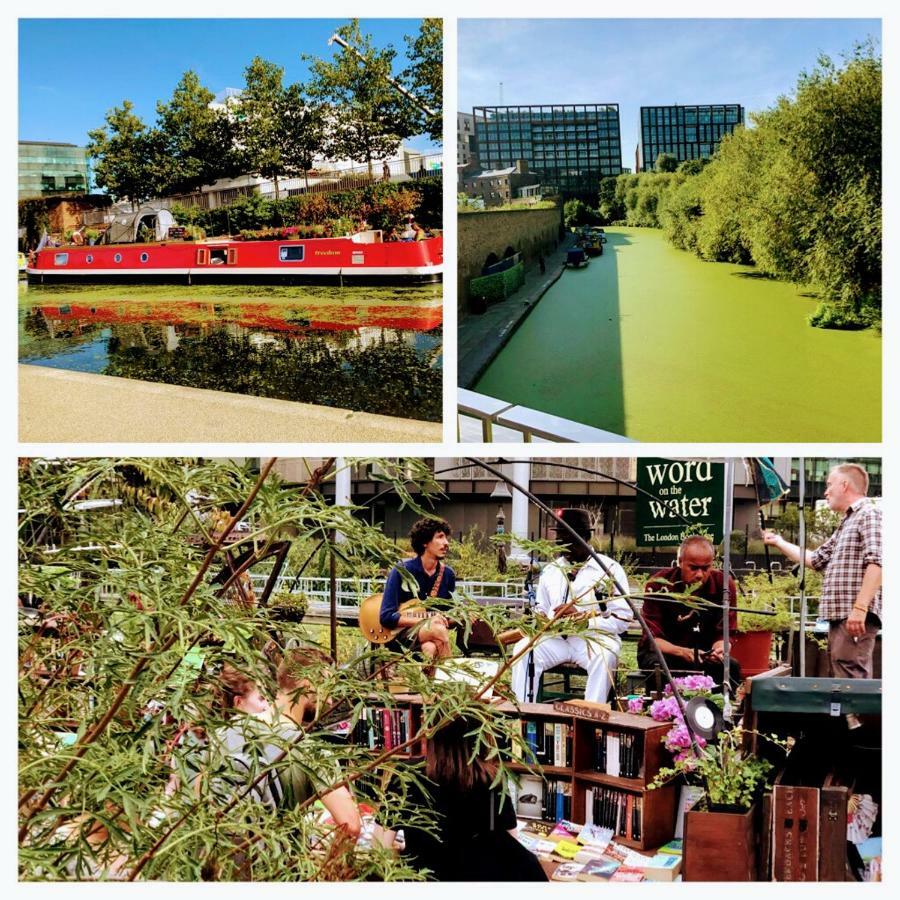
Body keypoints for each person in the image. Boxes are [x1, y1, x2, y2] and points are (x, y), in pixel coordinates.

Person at [205, 664, 361, 837]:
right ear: (307, 684)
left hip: (226, 857)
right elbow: (351, 826)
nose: (330, 701)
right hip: (283, 858)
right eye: (327, 688)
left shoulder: (222, 733)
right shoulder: (311, 751)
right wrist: (330, 864)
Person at [762, 463, 882, 678]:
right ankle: (851, 713)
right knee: (843, 675)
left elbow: (879, 562)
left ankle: (857, 714)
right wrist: (779, 542)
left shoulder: (869, 513)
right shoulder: (848, 521)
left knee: (851, 677)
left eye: (829, 485)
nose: (826, 492)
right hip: (843, 616)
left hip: (854, 616)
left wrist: (860, 609)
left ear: (844, 485)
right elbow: (815, 559)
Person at [401, 716, 547, 881]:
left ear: (432, 731)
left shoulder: (406, 774)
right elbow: (513, 848)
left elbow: (381, 845)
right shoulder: (491, 778)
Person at [511, 509, 633, 704]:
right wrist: (541, 617)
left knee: (606, 656)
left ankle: (590, 719)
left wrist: (583, 619)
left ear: (586, 537)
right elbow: (541, 607)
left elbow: (623, 619)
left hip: (593, 640)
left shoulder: (609, 570)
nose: (564, 548)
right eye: (560, 542)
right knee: (523, 649)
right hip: (556, 639)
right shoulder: (551, 570)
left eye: (570, 541)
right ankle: (524, 717)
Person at [638, 536, 741, 688]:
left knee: (731, 666)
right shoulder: (658, 585)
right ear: (680, 562)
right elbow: (653, 639)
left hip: (704, 655)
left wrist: (719, 650)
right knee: (657, 665)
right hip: (667, 653)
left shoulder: (724, 585)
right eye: (693, 568)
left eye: (706, 568)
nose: (699, 574)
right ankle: (663, 708)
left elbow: (726, 632)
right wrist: (682, 652)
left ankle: (715, 709)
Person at [380, 518, 456, 662]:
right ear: (425, 542)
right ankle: (453, 680)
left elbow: (448, 616)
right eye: (440, 537)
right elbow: (386, 617)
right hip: (401, 634)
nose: (446, 543)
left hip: (429, 635)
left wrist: (462, 618)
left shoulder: (448, 574)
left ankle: (429, 684)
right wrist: (427, 620)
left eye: (446, 537)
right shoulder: (402, 570)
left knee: (430, 648)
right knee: (438, 630)